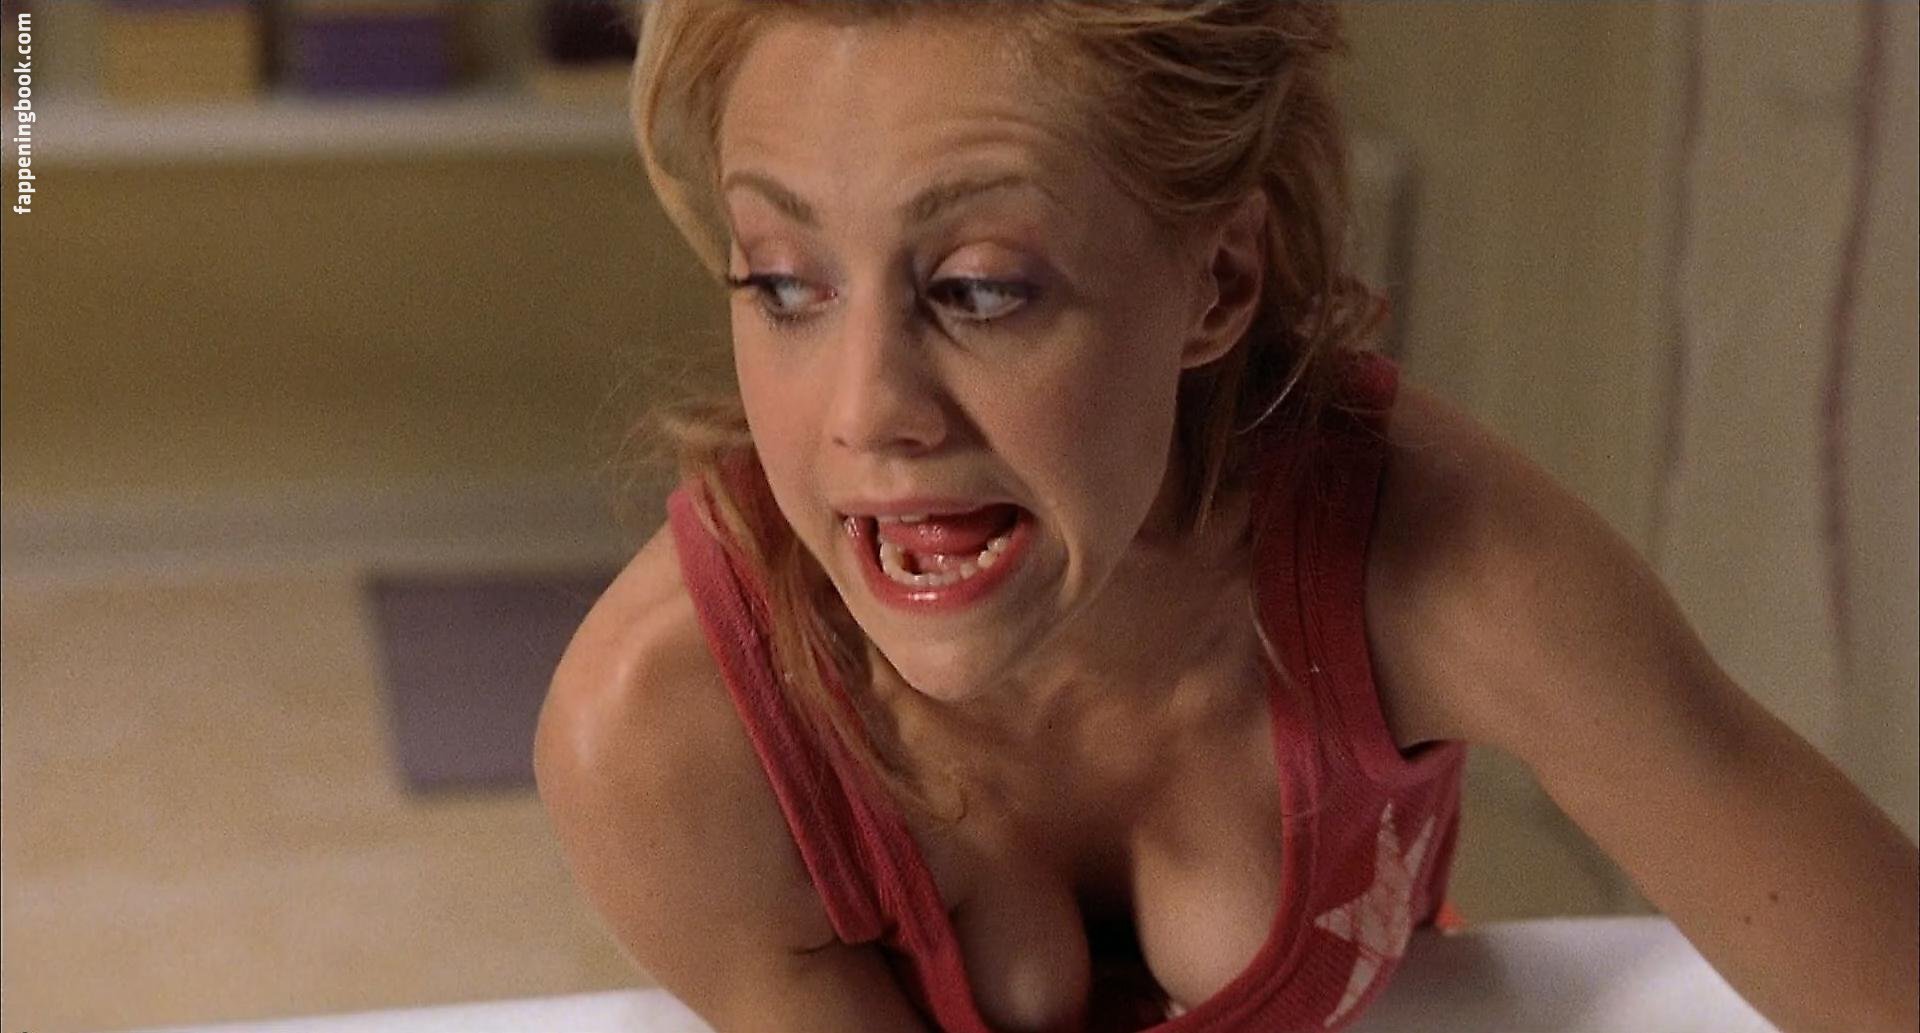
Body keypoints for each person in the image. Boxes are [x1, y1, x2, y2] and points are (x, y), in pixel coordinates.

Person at [533, 2, 1920, 1030]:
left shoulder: (1444, 571)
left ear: (1220, 282)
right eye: (784, 283)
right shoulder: (658, 733)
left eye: (981, 287)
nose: (866, 413)